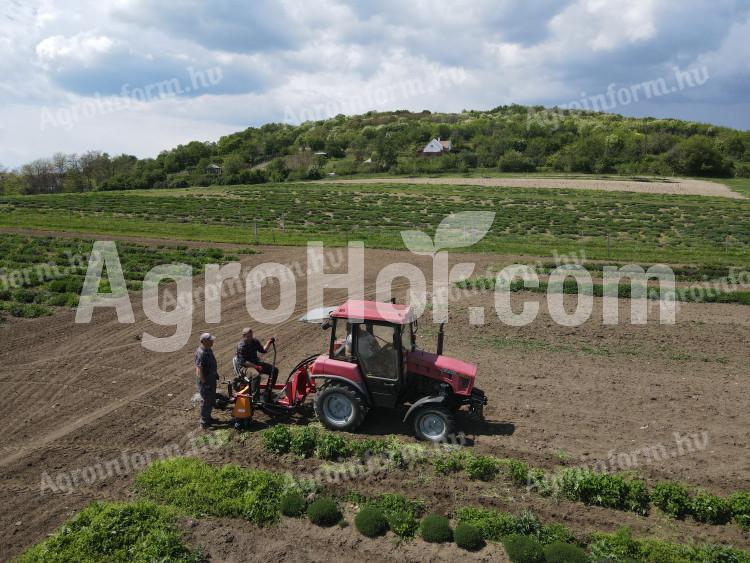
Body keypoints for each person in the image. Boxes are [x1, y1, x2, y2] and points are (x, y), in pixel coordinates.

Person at [236, 327, 278, 401]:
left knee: (274, 370)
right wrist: (257, 367)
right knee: (256, 375)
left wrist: (269, 342)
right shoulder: (241, 346)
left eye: (251, 336)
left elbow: (263, 350)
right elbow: (244, 362)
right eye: (248, 336)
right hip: (245, 367)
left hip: (255, 364)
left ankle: (267, 392)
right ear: (243, 336)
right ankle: (255, 399)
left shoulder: (254, 341)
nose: (250, 338)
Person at [195, 332, 219, 430]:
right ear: (204, 341)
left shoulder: (208, 349)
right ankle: (204, 423)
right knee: (206, 401)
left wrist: (215, 373)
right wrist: (204, 383)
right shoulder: (201, 353)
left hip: (211, 379)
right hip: (206, 382)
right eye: (210, 340)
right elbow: (199, 370)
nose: (212, 341)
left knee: (210, 400)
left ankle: (208, 418)